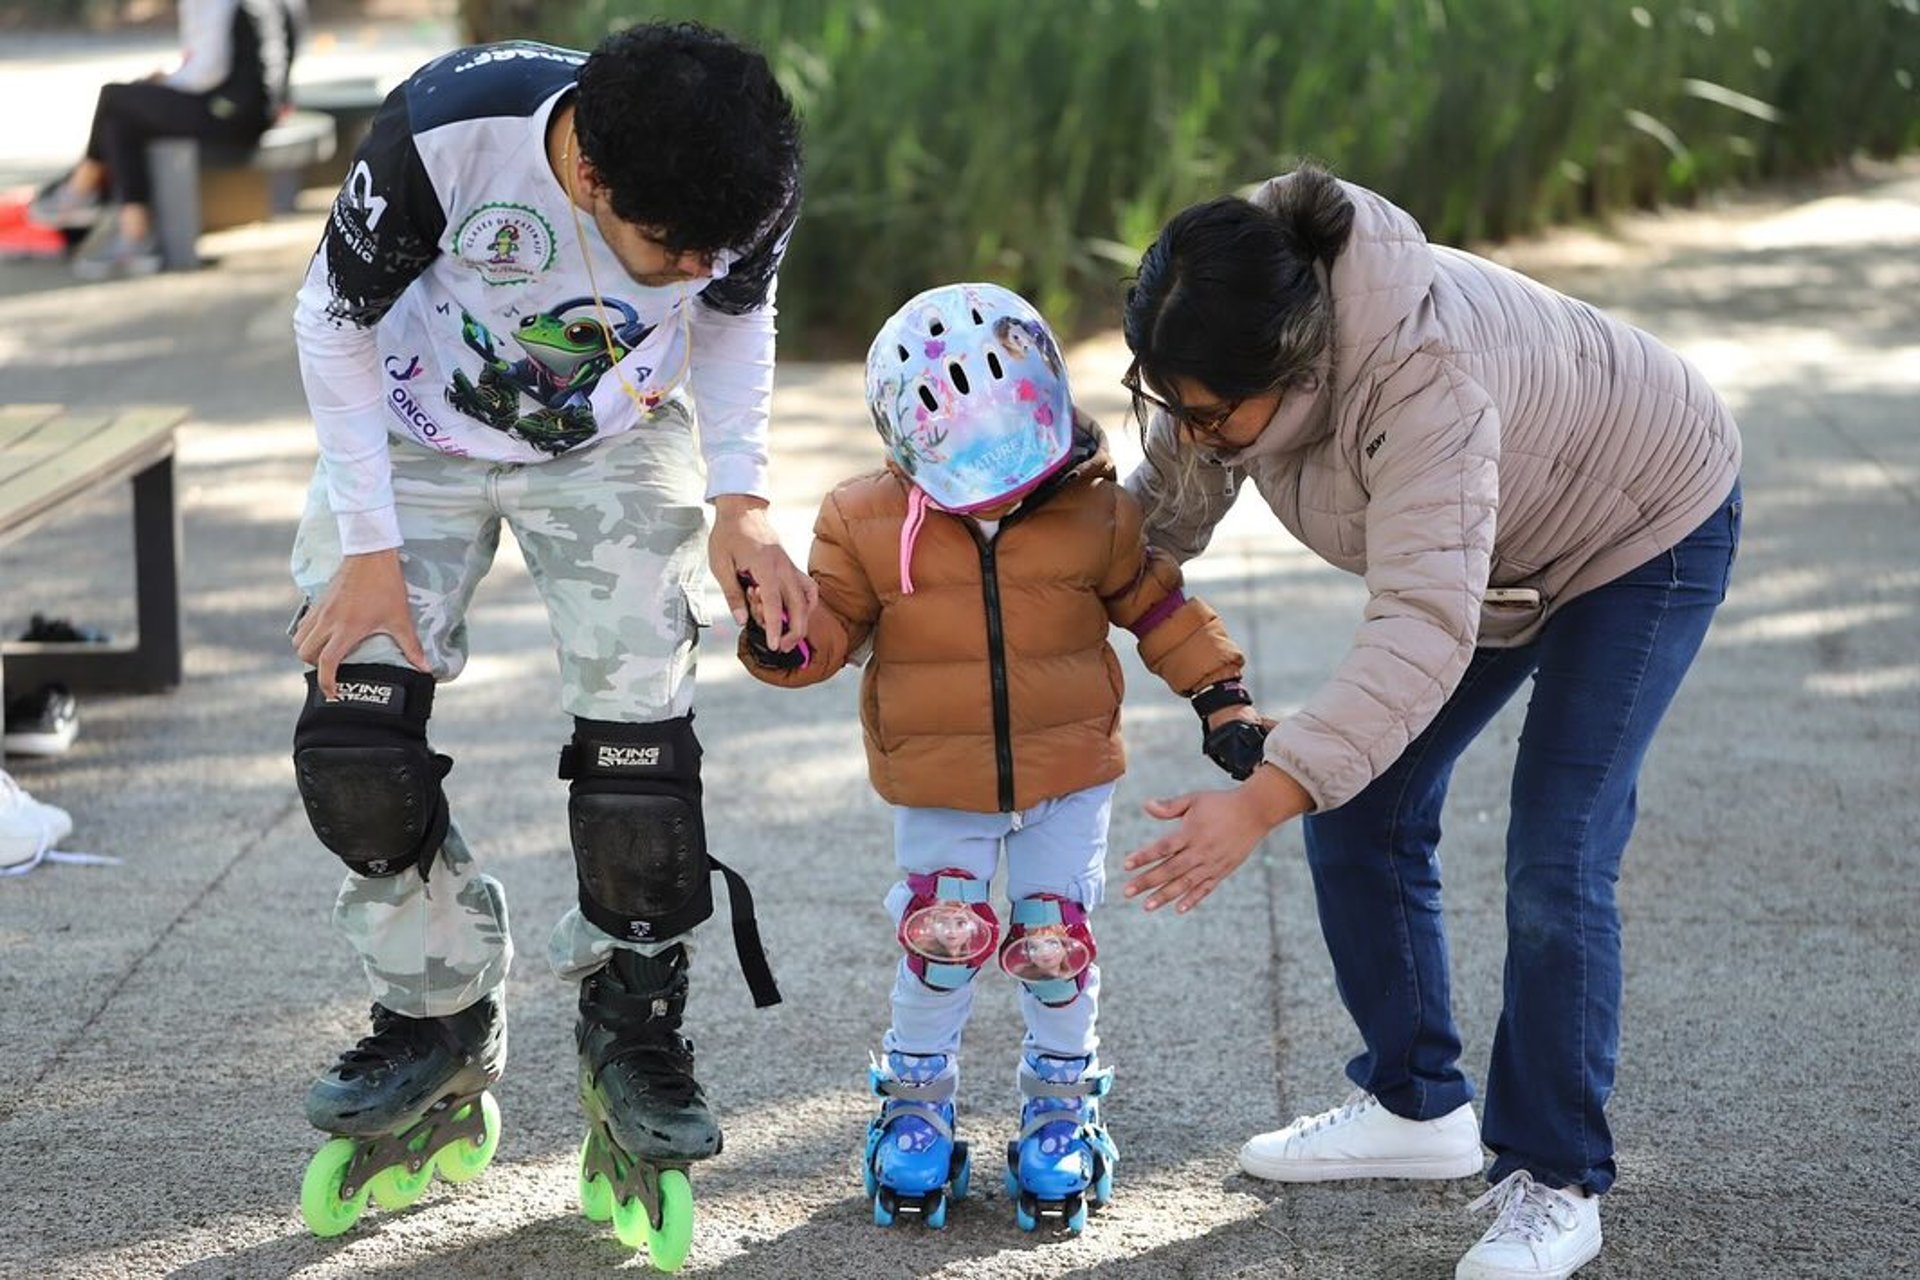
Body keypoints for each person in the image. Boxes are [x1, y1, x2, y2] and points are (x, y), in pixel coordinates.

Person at [1115, 165, 1741, 1280]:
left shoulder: (1423, 382)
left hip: (1643, 525)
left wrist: (1257, 798)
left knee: (1556, 853)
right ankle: (1416, 1105)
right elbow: (1159, 514)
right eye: (1175, 406)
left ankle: (1556, 1176)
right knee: (1359, 807)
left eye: (1213, 415)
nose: (1195, 437)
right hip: (1496, 542)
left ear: (1299, 367)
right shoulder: (1238, 301)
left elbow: (1419, 624)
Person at [283, 22, 812, 1264]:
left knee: (642, 757)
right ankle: (438, 1009)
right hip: (413, 431)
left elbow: (736, 317)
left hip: (616, 440)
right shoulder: (443, 136)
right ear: (586, 180)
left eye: (710, 251)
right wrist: (368, 543)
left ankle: (633, 1015)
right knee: (355, 742)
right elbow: (330, 320)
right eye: (667, 249)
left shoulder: (739, 174)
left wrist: (743, 501)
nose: (691, 270)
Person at [738, 282, 1269, 1234]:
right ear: (911, 444)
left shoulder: (1095, 513)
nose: (999, 486)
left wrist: (1218, 692)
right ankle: (914, 1106)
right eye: (971, 465)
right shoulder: (861, 521)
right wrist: (785, 643)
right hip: (939, 779)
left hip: (1067, 777)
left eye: (1012, 459)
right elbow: (831, 627)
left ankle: (1061, 1109)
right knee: (942, 940)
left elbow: (1158, 608)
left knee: (1054, 943)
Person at [31, 0, 303, 279]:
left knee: (115, 98)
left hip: (230, 114)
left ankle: (81, 192)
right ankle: (131, 234)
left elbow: (209, 70)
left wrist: (164, 83)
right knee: (123, 114)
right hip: (257, 110)